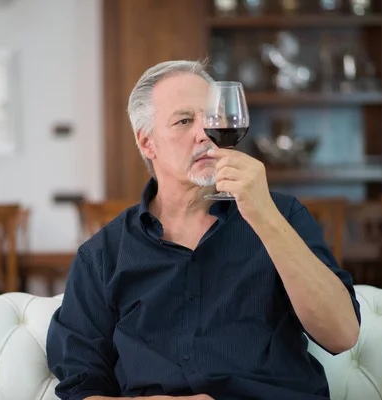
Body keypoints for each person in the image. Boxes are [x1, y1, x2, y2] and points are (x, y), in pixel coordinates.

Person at [46, 60, 361, 400]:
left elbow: (341, 334)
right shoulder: (102, 256)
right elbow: (81, 385)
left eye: (212, 119)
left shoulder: (282, 214)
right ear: (147, 142)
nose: (206, 134)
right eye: (184, 121)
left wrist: (264, 216)